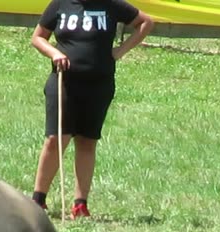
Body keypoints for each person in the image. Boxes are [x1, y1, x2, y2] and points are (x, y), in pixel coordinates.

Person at [29, 0, 154, 220]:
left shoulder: (111, 4)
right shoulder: (61, 4)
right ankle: (38, 200)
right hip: (64, 82)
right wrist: (54, 53)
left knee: (87, 140)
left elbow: (145, 22)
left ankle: (80, 204)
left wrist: (119, 51)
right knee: (56, 138)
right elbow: (38, 38)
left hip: (99, 84)